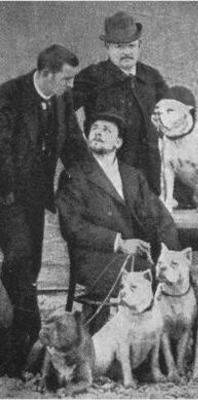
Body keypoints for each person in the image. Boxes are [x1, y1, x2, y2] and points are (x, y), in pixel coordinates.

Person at [0, 44, 88, 376]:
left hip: (34, 199)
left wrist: (95, 182)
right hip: (5, 196)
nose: (71, 86)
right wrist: (8, 194)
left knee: (29, 268)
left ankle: (18, 355)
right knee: (20, 262)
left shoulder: (62, 98)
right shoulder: (9, 95)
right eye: (66, 78)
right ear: (46, 74)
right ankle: (21, 349)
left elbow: (74, 145)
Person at [56, 111, 180, 305]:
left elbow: (160, 217)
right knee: (149, 275)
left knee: (171, 273)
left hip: (134, 255)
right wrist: (119, 243)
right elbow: (73, 227)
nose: (98, 133)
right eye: (94, 129)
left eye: (106, 130)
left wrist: (173, 256)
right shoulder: (74, 175)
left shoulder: (133, 176)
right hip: (96, 259)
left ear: (118, 143)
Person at [73, 11, 169, 196]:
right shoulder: (92, 76)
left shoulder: (151, 77)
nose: (127, 52)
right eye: (119, 46)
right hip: (109, 172)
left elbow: (172, 114)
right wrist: (81, 147)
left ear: (140, 45)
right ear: (107, 47)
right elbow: (63, 114)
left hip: (148, 175)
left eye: (132, 46)